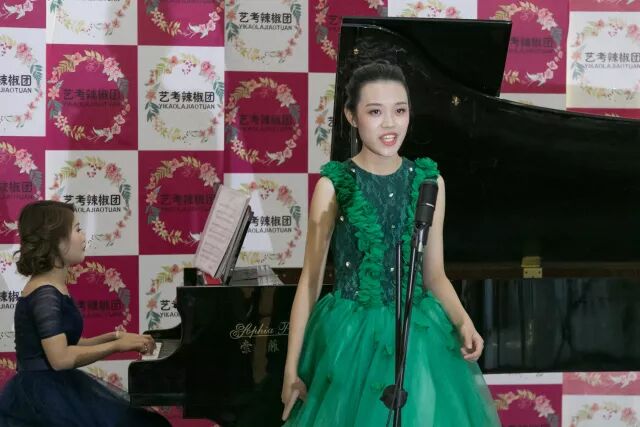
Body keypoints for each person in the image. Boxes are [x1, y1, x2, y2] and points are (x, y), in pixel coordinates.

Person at [280, 62, 501, 426]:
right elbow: (310, 282)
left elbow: (434, 275)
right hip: (350, 336)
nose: (390, 124)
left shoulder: (429, 182)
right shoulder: (334, 185)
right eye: (375, 112)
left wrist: (463, 321)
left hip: (419, 334)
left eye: (400, 111)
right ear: (351, 116)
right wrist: (291, 369)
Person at [0, 201, 170, 427]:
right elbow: (61, 359)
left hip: (52, 389)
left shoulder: (52, 286)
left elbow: (70, 343)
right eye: (77, 229)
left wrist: (116, 337)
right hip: (43, 399)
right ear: (56, 241)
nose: (83, 237)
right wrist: (116, 346)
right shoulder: (45, 294)